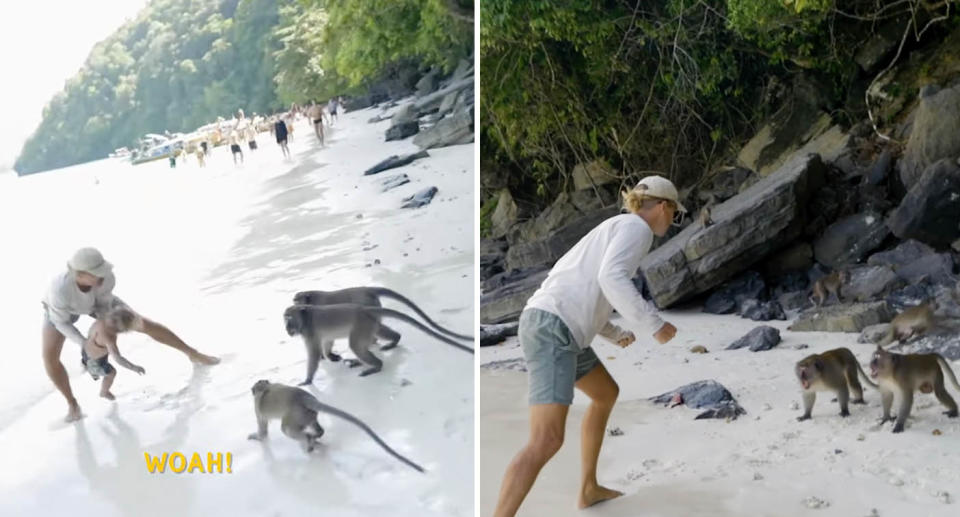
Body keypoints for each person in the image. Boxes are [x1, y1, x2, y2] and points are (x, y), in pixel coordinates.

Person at [492, 176, 686, 516]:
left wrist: (612, 333)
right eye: (675, 214)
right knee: (546, 440)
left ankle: (588, 488)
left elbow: (584, 289)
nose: (673, 222)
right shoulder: (635, 229)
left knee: (605, 393)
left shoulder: (616, 228)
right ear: (663, 206)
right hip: (553, 329)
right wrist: (653, 324)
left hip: (560, 327)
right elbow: (611, 279)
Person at [42, 247, 220, 422]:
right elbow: (61, 322)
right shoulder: (59, 289)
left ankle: (193, 354)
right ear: (79, 274)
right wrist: (84, 343)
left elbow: (103, 306)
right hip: (60, 313)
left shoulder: (106, 278)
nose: (103, 275)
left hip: (98, 304)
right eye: (97, 273)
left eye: (103, 270)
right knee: (49, 357)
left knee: (143, 323)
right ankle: (72, 404)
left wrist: (108, 328)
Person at [82, 307, 144, 401]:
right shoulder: (109, 338)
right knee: (111, 373)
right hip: (94, 362)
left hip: (86, 349)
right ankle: (104, 392)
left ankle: (87, 365)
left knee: (98, 350)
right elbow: (118, 359)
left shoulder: (101, 321)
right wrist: (134, 367)